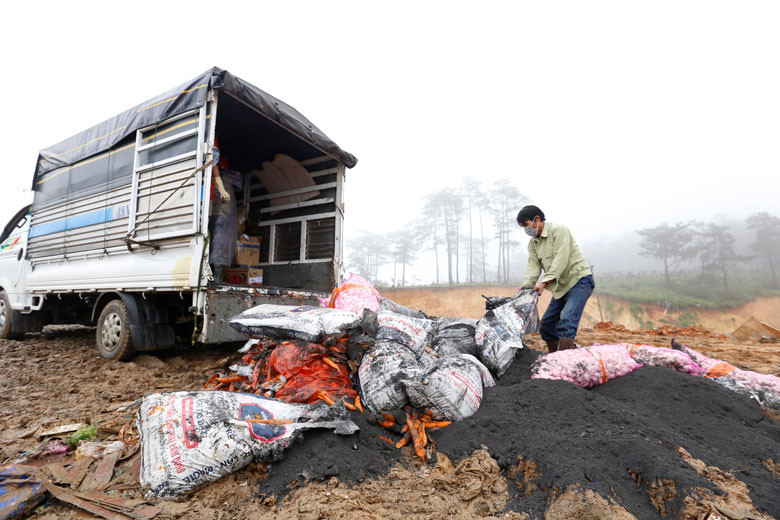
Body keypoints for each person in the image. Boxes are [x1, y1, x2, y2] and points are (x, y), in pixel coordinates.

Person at [518, 205, 594, 353]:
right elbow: (533, 265)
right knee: (547, 325)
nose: (526, 230)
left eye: (526, 225)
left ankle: (563, 361)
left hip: (578, 281)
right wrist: (527, 285)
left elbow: (561, 259)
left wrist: (544, 282)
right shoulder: (533, 244)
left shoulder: (559, 231)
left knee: (567, 320)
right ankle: (555, 358)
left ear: (537, 219)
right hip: (560, 287)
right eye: (523, 227)